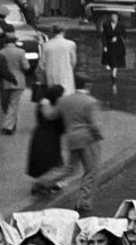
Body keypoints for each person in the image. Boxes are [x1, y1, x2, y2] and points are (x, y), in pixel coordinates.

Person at [33, 74, 103, 213]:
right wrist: (99, 135)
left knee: (70, 168)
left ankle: (43, 181)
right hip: (88, 139)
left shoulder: (65, 100)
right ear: (87, 86)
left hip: (71, 139)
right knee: (92, 171)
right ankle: (83, 202)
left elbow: (50, 115)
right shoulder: (91, 102)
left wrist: (45, 102)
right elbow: (94, 125)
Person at [26, 85, 64, 190]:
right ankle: (42, 184)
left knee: (49, 160)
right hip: (47, 137)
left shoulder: (47, 102)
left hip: (48, 135)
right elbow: (50, 116)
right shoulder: (45, 103)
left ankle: (48, 183)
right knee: (47, 161)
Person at [0, 34, 29, 136]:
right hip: (18, 80)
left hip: (4, 81)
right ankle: (9, 125)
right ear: (14, 42)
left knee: (6, 104)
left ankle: (10, 124)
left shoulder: (0, 53)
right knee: (13, 103)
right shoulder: (21, 52)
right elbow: (26, 67)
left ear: (4, 43)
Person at [37, 25, 76, 94]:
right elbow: (73, 62)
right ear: (63, 32)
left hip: (51, 73)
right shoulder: (71, 44)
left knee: (54, 94)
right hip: (66, 73)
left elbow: (41, 64)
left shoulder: (46, 45)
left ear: (52, 32)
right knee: (67, 92)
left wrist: (44, 73)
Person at [99, 12, 127, 82]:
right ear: (111, 18)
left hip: (118, 45)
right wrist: (104, 46)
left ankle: (114, 75)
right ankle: (112, 70)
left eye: (116, 17)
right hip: (110, 45)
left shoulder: (121, 25)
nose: (114, 19)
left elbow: (124, 35)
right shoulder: (106, 25)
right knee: (111, 60)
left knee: (116, 61)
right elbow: (104, 36)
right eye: (113, 17)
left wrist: (117, 38)